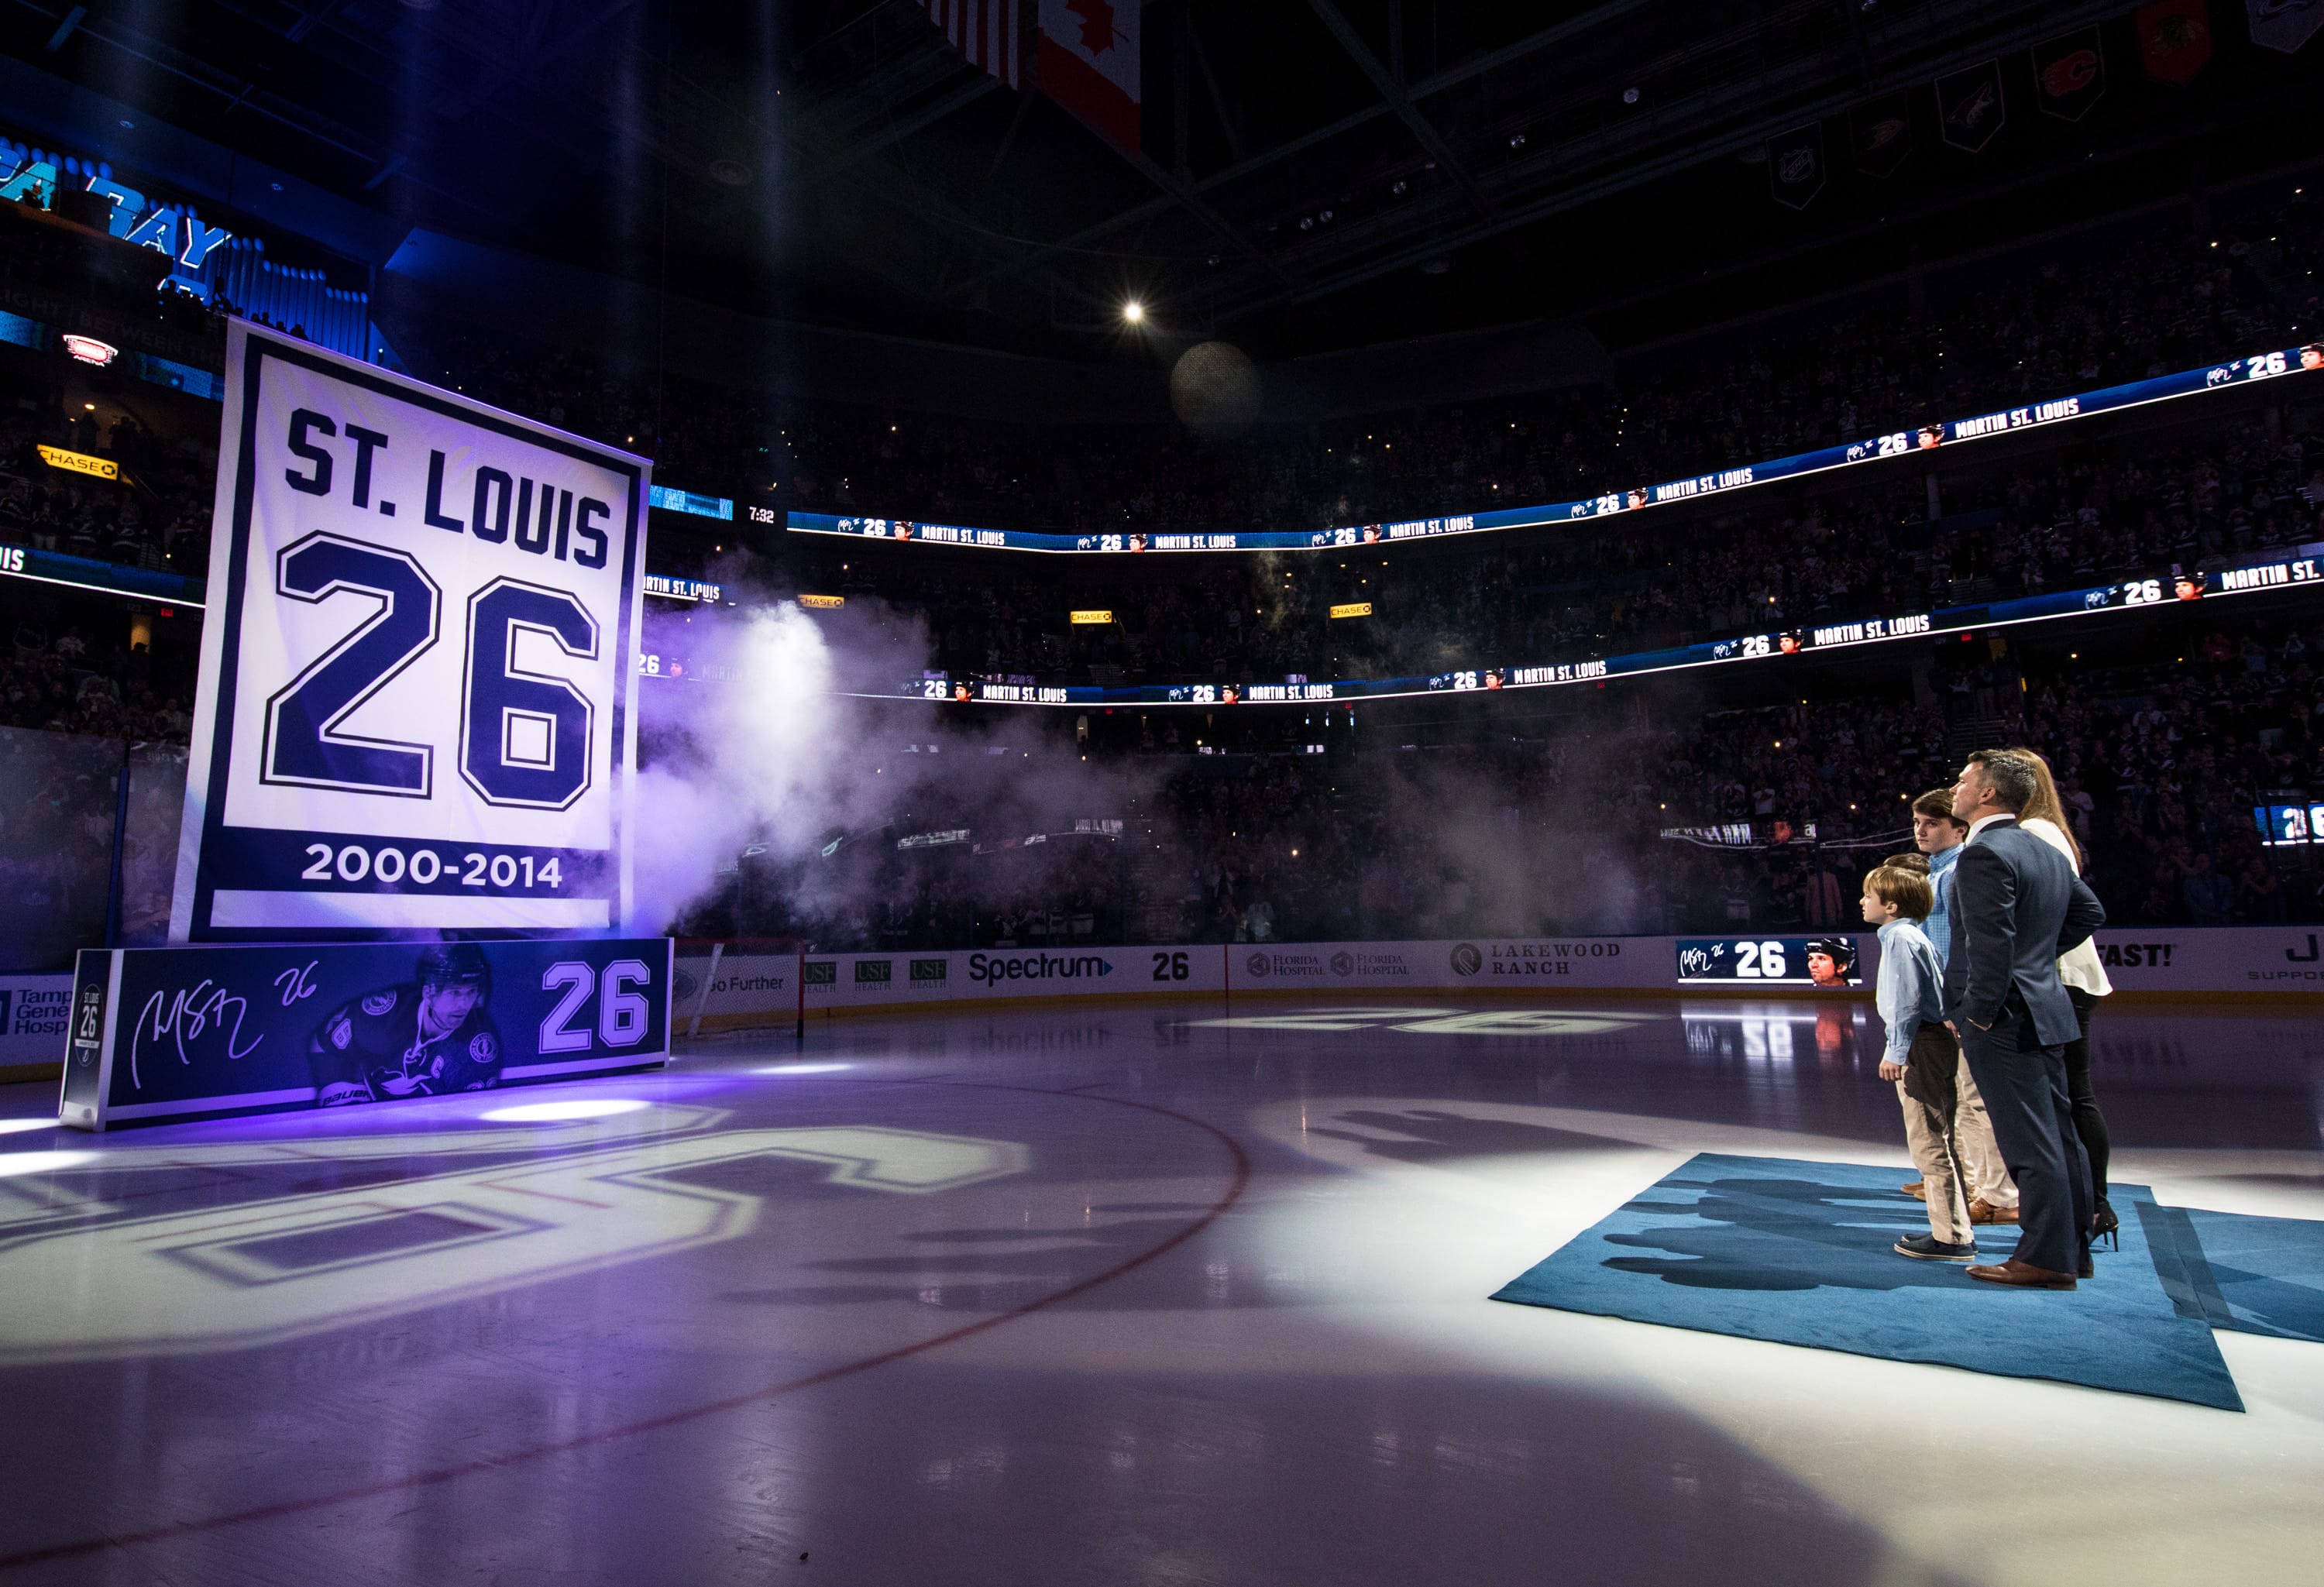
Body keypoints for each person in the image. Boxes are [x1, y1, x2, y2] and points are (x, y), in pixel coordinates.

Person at [1944, 749, 2106, 1289]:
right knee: (2060, 1138)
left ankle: (2045, 1256)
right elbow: (2089, 912)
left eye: (1964, 780)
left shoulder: (1983, 853)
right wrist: (2036, 961)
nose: (1957, 787)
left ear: (1989, 792)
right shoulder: (2042, 846)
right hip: (2044, 1007)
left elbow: (1989, 946)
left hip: (2005, 1018)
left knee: (2030, 1144)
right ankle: (2070, 1250)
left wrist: (1980, 1014)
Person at [2013, 747, 2119, 1240]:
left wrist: (2032, 956)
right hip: (2061, 975)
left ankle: (2093, 1204)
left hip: (2060, 977)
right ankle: (2093, 1204)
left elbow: (2066, 909)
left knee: (2073, 1096)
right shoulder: (2046, 829)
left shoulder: (2035, 832)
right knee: (2074, 1095)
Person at [1903, 788, 2019, 1228]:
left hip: (1961, 1005)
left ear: (1959, 828)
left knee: (1975, 1101)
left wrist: (1961, 1004)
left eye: (1931, 823)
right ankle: (1970, 1182)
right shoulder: (1937, 873)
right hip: (1946, 1005)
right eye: (1917, 823)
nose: (1921, 830)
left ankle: (1999, 1194)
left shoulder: (1957, 873)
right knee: (1961, 1100)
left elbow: (1966, 945)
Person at [1862, 864, 1976, 1261]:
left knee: (1929, 1141)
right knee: (1939, 1137)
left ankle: (1952, 1237)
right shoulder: (1909, 936)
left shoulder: (1900, 940)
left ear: (1891, 905)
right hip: (1932, 1041)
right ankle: (1954, 1228)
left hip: (1922, 1045)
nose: (1862, 902)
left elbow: (1906, 1001)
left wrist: (1896, 1050)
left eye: (1869, 896)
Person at [308, 944, 506, 1107]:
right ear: (429, 993)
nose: (464, 1005)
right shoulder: (384, 1015)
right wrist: (340, 1094)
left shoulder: (478, 1052)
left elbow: (467, 1123)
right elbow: (324, 1044)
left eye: (471, 992)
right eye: (455, 993)